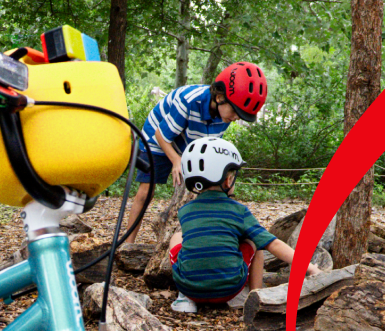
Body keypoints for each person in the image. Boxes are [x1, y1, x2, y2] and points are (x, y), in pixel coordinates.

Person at [168, 138, 320, 315]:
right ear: (227, 180)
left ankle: (184, 299)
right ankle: (256, 297)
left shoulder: (185, 211)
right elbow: (274, 244)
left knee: (177, 237)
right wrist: (310, 267)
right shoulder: (238, 211)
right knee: (255, 242)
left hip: (190, 288)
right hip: (228, 290)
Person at [126, 61, 268, 242]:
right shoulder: (189, 100)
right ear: (219, 98)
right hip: (158, 136)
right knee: (147, 191)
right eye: (235, 112)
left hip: (188, 139)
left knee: (203, 187)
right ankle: (127, 244)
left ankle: (198, 239)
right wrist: (176, 161)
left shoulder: (224, 115)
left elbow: (208, 149)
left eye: (240, 116)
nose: (234, 118)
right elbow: (161, 135)